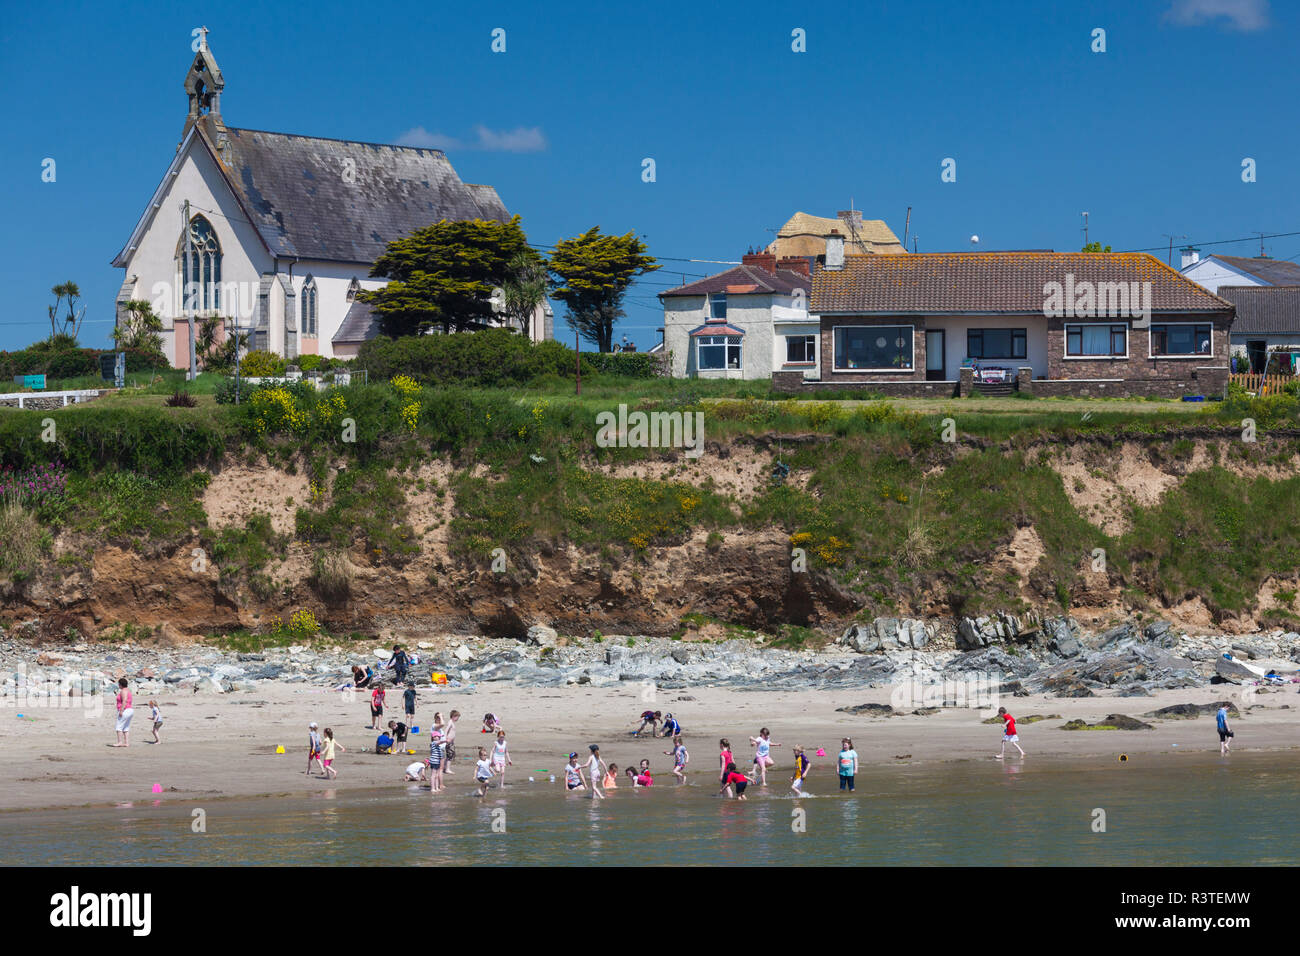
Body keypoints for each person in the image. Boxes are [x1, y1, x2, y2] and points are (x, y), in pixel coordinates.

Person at [113, 678, 133, 747]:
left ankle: (119, 742)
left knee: (119, 726)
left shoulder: (123, 691)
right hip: (129, 710)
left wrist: (121, 710)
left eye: (118, 684)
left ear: (121, 684)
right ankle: (126, 743)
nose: (118, 685)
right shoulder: (128, 690)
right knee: (126, 727)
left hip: (125, 710)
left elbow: (124, 701)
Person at [444, 710, 460, 775]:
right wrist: (445, 739)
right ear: (453, 716)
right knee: (450, 755)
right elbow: (446, 730)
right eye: (457, 717)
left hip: (451, 742)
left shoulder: (452, 722)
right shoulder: (450, 722)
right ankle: (447, 769)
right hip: (448, 742)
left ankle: (445, 767)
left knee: (451, 754)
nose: (458, 719)